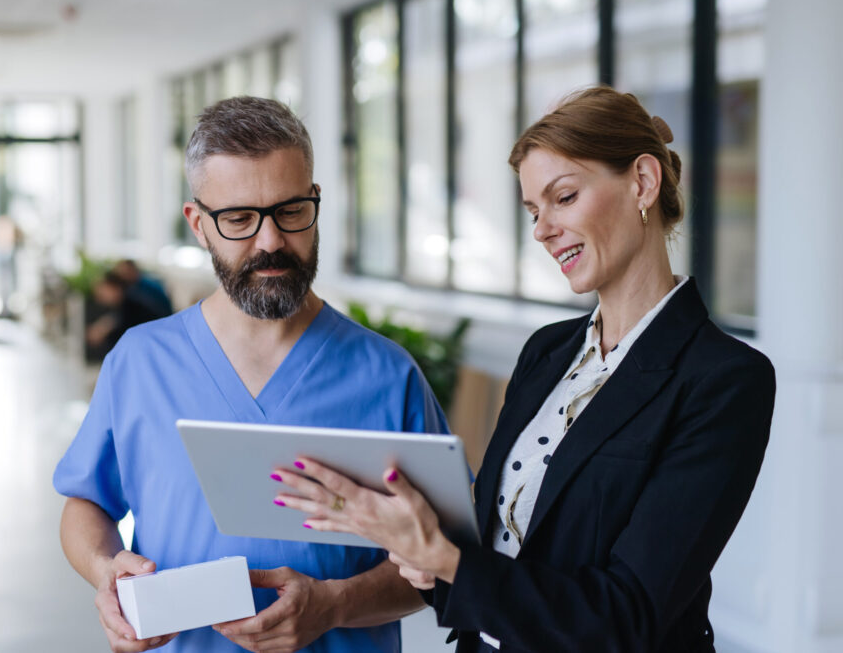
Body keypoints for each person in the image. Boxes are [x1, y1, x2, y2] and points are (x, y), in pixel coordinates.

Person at [273, 86, 776, 653]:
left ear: (642, 181)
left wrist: (445, 559)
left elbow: (628, 616)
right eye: (534, 211)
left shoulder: (724, 379)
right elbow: (494, 548)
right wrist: (416, 544)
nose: (541, 230)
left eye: (563, 198)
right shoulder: (547, 351)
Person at [53, 96, 449, 653]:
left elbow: (444, 560)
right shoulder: (140, 362)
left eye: (289, 212)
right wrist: (104, 571)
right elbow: (86, 502)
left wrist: (335, 606)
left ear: (315, 203)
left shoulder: (388, 375)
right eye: (239, 218)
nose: (269, 241)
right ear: (199, 224)